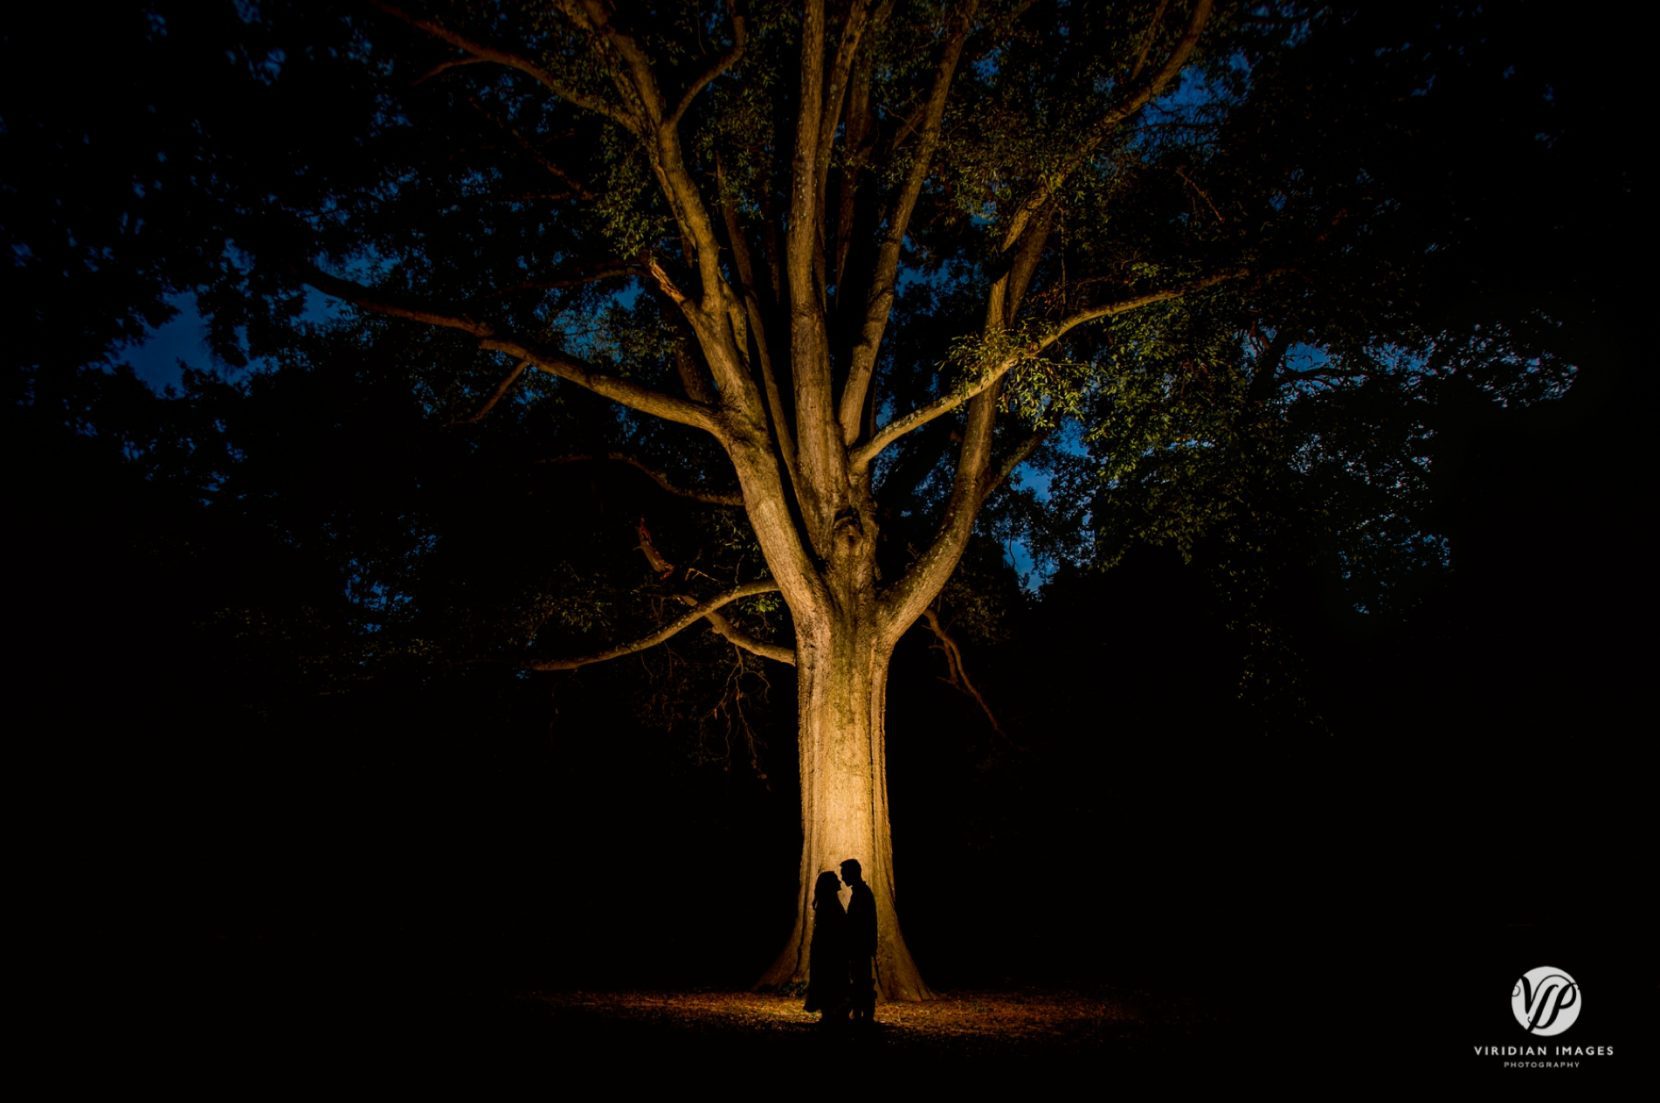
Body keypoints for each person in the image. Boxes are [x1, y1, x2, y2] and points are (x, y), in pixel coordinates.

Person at [803, 870, 850, 1026]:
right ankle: (829, 1014)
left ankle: (831, 1013)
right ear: (829, 885)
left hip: (826, 949)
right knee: (829, 979)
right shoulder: (828, 903)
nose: (839, 881)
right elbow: (832, 928)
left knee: (828, 979)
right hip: (829, 950)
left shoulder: (828, 902)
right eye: (835, 879)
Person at [841, 858, 877, 1024]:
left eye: (844, 873)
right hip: (860, 945)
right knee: (860, 979)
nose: (843, 878)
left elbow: (862, 922)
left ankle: (865, 1014)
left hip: (860, 946)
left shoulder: (862, 893)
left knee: (862, 979)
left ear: (852, 873)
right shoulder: (861, 892)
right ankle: (860, 1012)